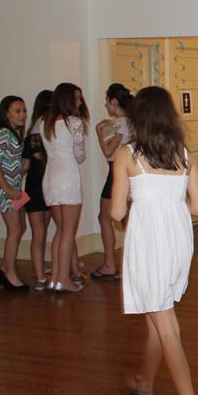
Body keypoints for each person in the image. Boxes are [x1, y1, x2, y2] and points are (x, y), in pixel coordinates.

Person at [112, 86, 198, 395]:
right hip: (179, 244)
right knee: (158, 314)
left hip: (149, 245)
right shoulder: (182, 153)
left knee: (167, 326)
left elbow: (117, 210)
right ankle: (145, 382)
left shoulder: (127, 155)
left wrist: (143, 211)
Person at [41, 83, 88, 293]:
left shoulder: (44, 122)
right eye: (77, 98)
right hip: (68, 178)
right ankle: (63, 278)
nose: (79, 102)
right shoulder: (74, 122)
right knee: (69, 231)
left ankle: (55, 278)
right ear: (68, 99)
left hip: (50, 179)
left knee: (60, 230)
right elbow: (80, 155)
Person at [91, 83, 134, 279]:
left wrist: (99, 133)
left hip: (117, 173)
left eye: (107, 102)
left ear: (114, 102)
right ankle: (129, 265)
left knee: (106, 218)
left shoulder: (122, 124)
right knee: (127, 220)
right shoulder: (131, 122)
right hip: (128, 173)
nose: (106, 105)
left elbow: (108, 151)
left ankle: (111, 264)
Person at [0, 96, 29, 291]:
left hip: (15, 189)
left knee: (21, 228)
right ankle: (9, 273)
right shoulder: (3, 134)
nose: (22, 114)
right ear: (7, 113)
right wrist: (8, 190)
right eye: (18, 111)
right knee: (14, 230)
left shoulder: (14, 133)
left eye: (24, 111)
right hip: (5, 190)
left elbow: (11, 164)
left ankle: (4, 267)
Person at [23, 90, 52, 291]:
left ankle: (38, 271)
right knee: (41, 231)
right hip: (44, 185)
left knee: (38, 232)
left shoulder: (33, 130)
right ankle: (40, 274)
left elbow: (25, 165)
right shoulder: (45, 129)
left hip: (34, 185)